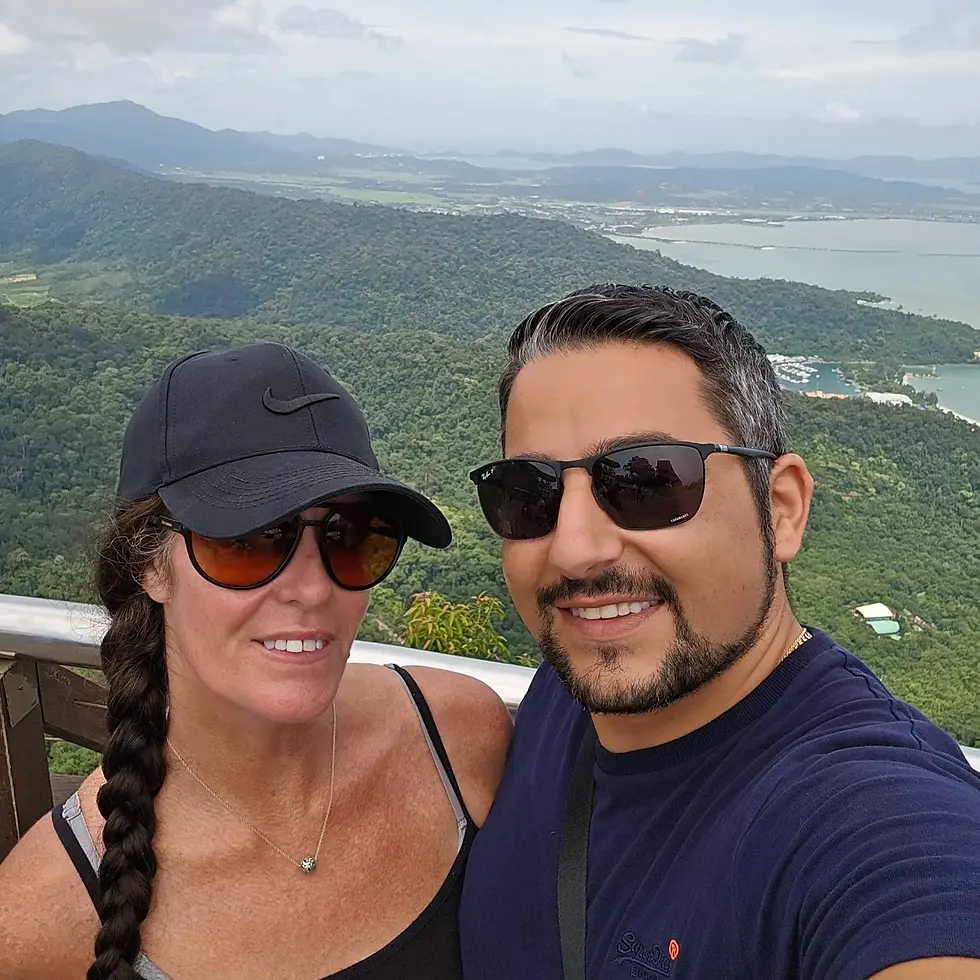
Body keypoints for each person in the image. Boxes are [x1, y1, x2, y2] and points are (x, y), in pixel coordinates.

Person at [459, 284, 980, 980]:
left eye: (647, 480)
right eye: (531, 494)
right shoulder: (565, 693)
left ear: (783, 509)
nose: (575, 549)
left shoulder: (868, 816)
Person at [0, 341, 512, 980]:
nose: (313, 588)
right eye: (246, 542)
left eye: (347, 538)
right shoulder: (39, 921)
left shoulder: (464, 740)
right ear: (148, 564)